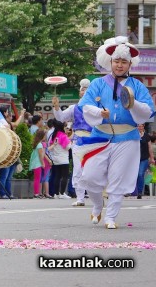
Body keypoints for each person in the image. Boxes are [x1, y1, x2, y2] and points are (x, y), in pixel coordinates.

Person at [77, 36, 155, 229]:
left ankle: (111, 216)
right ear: (110, 62)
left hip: (127, 137)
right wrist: (98, 112)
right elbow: (85, 105)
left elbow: (149, 111)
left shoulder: (137, 86)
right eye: (117, 61)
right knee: (89, 176)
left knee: (118, 179)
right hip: (99, 136)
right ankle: (97, 205)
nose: (120, 65)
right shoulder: (97, 83)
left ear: (130, 64)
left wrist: (132, 102)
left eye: (124, 62)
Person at [52, 79, 92, 206]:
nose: (84, 91)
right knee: (78, 170)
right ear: (79, 92)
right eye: (82, 89)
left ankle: (95, 195)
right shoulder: (74, 108)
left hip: (94, 140)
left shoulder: (96, 107)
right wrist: (56, 107)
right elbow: (61, 118)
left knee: (93, 170)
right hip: (79, 141)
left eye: (87, 89)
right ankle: (80, 198)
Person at [0, 105, 25, 199]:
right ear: (4, 113)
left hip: (11, 152)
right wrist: (21, 114)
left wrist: (21, 115)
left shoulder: (5, 123)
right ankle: (3, 194)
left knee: (8, 176)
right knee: (5, 175)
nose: (9, 113)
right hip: (6, 152)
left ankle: (8, 193)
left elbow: (15, 124)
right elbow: (15, 124)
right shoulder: (2, 123)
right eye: (8, 112)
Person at [47, 120, 71, 198]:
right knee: (64, 176)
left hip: (55, 159)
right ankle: (62, 193)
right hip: (63, 158)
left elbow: (50, 147)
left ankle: (56, 193)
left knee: (57, 176)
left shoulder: (53, 135)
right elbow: (67, 147)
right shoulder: (63, 136)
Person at [135, 123, 154, 199]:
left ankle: (139, 192)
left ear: (143, 127)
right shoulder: (134, 135)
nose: (140, 127)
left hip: (144, 158)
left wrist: (152, 158)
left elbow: (150, 147)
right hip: (134, 159)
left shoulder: (146, 136)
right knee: (133, 175)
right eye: (138, 126)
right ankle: (131, 190)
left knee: (140, 174)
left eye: (141, 126)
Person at [29, 129, 47, 198]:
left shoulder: (37, 144)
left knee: (37, 179)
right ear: (42, 136)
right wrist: (43, 163)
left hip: (35, 163)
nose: (45, 137)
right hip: (38, 164)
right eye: (44, 136)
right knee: (37, 179)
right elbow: (40, 156)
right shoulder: (40, 145)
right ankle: (36, 193)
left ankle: (36, 193)